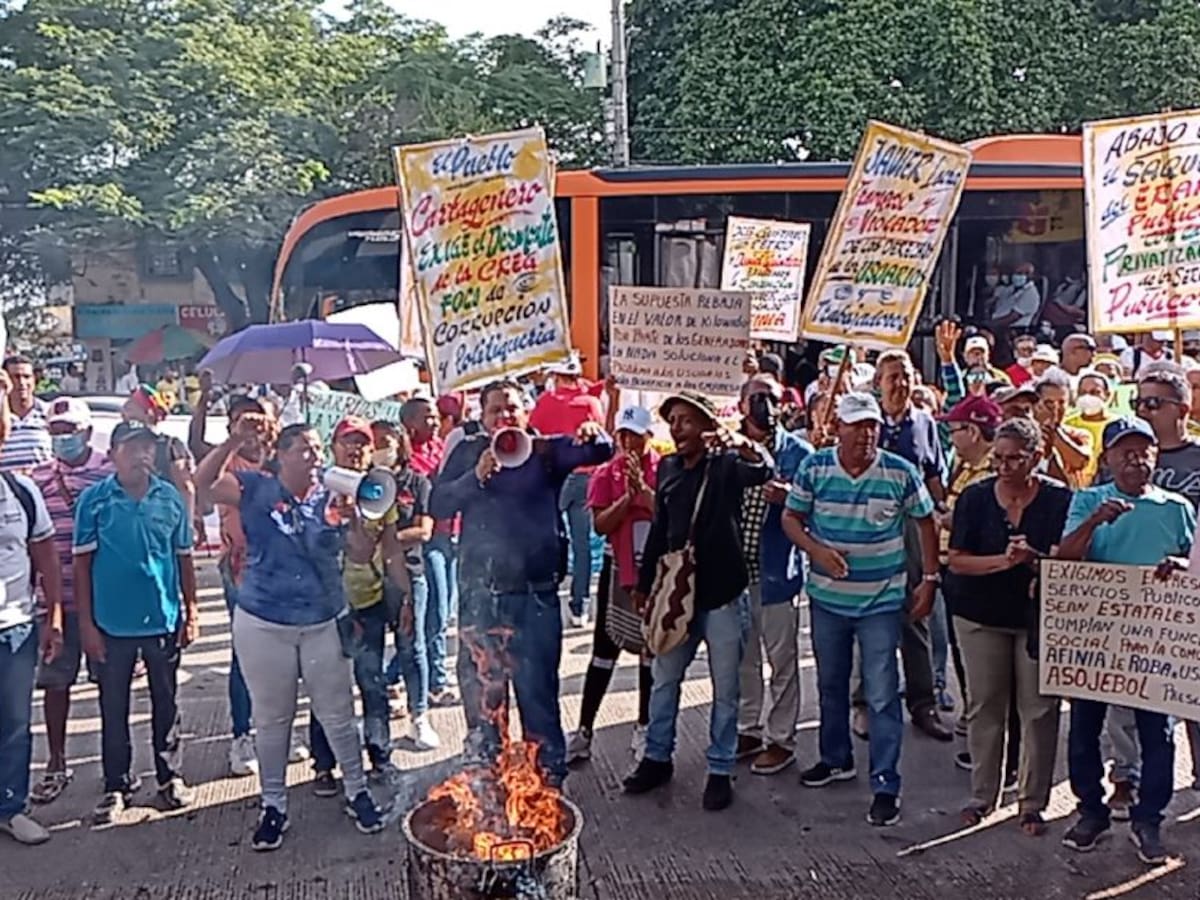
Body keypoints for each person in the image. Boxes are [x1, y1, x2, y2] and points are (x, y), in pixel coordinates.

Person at [196, 421, 385, 850]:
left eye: (317, 448)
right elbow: (202, 483)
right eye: (303, 448)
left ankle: (357, 792)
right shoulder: (255, 487)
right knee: (272, 718)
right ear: (280, 455)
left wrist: (355, 519)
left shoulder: (332, 496)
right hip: (264, 621)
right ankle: (274, 805)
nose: (314, 456)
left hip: (322, 620)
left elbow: (360, 553)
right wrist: (233, 441)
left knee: (338, 713)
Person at [433, 379, 612, 787]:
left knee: (538, 696)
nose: (504, 416)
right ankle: (488, 781)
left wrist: (594, 432)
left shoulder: (545, 450)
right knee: (485, 698)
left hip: (535, 597)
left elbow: (601, 451)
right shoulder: (468, 451)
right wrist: (475, 477)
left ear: (526, 412)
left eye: (511, 408)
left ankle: (547, 783)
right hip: (482, 598)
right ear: (482, 417)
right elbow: (438, 503)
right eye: (495, 410)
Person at [784, 392, 938, 827]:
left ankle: (886, 782)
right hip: (827, 599)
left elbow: (926, 521)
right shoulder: (815, 467)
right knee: (830, 684)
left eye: (872, 425)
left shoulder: (900, 471)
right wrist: (816, 550)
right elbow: (791, 518)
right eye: (857, 425)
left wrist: (929, 578)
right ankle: (836, 758)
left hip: (882, 601)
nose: (867, 433)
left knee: (883, 691)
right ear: (839, 428)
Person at [621, 390, 770, 811]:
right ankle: (656, 758)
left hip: (723, 595)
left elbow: (763, 470)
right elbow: (660, 528)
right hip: (677, 598)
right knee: (664, 679)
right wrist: (644, 585)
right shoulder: (668, 467)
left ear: (707, 427)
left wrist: (743, 443)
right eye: (673, 421)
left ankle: (720, 768)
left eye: (686, 420)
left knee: (726, 689)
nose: (677, 428)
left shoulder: (727, 465)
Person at [1056, 417, 1194, 863]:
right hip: (1096, 637)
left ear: (1156, 456)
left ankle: (1148, 818)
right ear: (1107, 458)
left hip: (1153, 638)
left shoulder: (1177, 507)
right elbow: (1065, 558)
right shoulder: (1087, 500)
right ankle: (1091, 812)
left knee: (1159, 734)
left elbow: (1193, 564)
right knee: (1084, 731)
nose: (1136, 459)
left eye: (1144, 451)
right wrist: (1095, 521)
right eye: (1125, 452)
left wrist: (1180, 565)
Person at [946, 417, 1071, 836]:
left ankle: (1032, 803)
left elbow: (1071, 559)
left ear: (1036, 458)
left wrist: (1034, 559)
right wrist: (1004, 561)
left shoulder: (1059, 499)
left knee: (1039, 710)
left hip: (1036, 618)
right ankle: (983, 796)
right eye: (997, 459)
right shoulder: (975, 497)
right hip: (980, 614)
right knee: (984, 705)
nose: (1003, 467)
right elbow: (957, 560)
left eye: (1013, 459)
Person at [74, 421, 198, 824]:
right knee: (113, 707)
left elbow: (183, 558)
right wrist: (87, 625)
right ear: (112, 454)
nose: (141, 455)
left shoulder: (170, 498)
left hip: (162, 619)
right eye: (131, 448)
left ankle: (169, 776)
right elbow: (81, 565)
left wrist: (191, 610)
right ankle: (117, 784)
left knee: (167, 702)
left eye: (147, 447)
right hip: (111, 624)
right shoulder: (94, 501)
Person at [860, 350, 952, 742]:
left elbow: (933, 476)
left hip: (912, 529)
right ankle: (864, 703)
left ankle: (923, 703)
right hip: (868, 529)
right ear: (878, 383)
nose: (900, 383)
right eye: (892, 377)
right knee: (866, 617)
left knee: (915, 614)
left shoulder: (925, 422)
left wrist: (940, 516)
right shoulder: (864, 421)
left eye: (907, 375)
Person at [27, 398, 112, 806]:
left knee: (108, 684)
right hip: (55, 602)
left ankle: (115, 768)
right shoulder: (37, 479)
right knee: (55, 684)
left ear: (87, 432)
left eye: (69, 431)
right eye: (56, 431)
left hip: (103, 603)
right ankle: (57, 763)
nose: (63, 438)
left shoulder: (108, 471)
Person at [566, 405, 659, 765]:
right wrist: (627, 498)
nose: (629, 441)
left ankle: (644, 726)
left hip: (654, 568)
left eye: (636, 434)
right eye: (624, 434)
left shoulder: (665, 468)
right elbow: (601, 525)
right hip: (617, 567)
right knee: (604, 650)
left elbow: (667, 516)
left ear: (649, 436)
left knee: (650, 649)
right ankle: (584, 730)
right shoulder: (606, 473)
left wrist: (644, 492)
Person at [735, 377, 812, 775]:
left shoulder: (799, 453)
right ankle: (747, 729)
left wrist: (790, 498)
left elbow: (816, 506)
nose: (764, 405)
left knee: (782, 661)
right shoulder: (729, 449)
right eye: (756, 398)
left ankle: (781, 739)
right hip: (736, 573)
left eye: (771, 398)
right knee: (743, 659)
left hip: (778, 572)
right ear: (741, 404)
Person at [0, 395, 64, 845]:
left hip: (15, 628)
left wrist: (54, 616)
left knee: (14, 723)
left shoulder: (20, 491)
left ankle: (9, 807)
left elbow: (46, 557)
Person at [371, 418, 439, 749]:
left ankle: (419, 716)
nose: (380, 449)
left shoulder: (417, 482)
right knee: (368, 651)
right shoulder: (364, 483)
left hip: (409, 575)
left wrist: (384, 540)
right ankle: (375, 721)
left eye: (386, 442)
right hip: (368, 578)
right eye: (374, 443)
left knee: (412, 646)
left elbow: (423, 530)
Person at [934, 395, 1002, 721]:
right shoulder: (963, 467)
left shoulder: (993, 470)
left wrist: (950, 520)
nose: (951, 438)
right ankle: (971, 712)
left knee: (977, 654)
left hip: (978, 576)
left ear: (973, 432)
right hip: (952, 571)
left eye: (955, 430)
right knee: (960, 650)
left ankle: (982, 717)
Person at [529, 354, 605, 628]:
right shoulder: (591, 402)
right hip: (585, 477)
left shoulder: (545, 402)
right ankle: (579, 604)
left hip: (554, 476)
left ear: (556, 376)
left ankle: (542, 596)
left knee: (543, 537)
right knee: (582, 544)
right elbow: (601, 437)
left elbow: (532, 431)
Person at [401, 397, 457, 707]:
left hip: (452, 536)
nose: (434, 423)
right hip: (428, 542)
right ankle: (435, 679)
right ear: (409, 423)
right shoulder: (407, 460)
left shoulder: (441, 448)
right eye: (427, 418)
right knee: (436, 615)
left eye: (435, 417)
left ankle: (399, 673)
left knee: (444, 613)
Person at [123, 384, 198, 535]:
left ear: (149, 413)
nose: (125, 411)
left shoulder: (171, 445)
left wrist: (186, 528)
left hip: (165, 524)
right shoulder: (122, 444)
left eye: (131, 406)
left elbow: (185, 488)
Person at [1032, 368, 1092, 488]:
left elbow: (1079, 461)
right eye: (1049, 403)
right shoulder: (1026, 434)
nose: (1056, 408)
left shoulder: (1078, 435)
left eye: (1061, 402)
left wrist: (1054, 432)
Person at [0, 356, 52, 473]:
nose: (22, 382)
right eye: (16, 377)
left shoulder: (49, 413)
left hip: (42, 482)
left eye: (27, 377)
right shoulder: (1, 418)